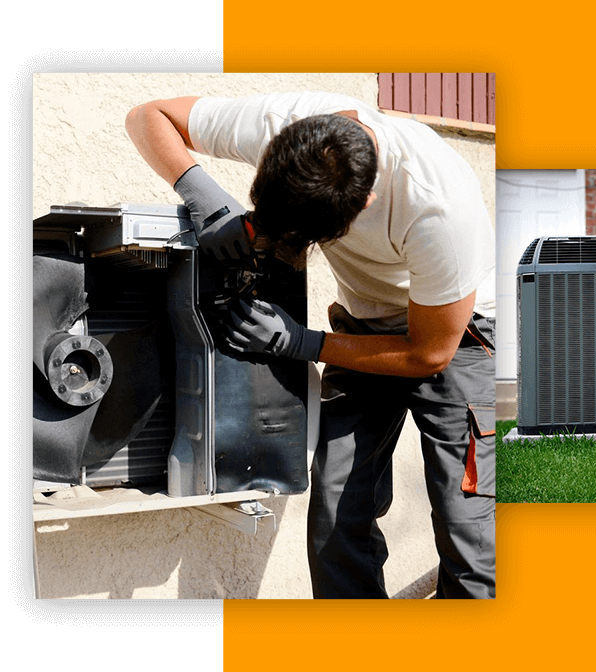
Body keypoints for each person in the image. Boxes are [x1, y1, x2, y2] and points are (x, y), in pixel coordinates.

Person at [125, 91, 496, 598]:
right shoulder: (289, 125)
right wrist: (203, 195)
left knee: (466, 527)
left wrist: (303, 343)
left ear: (360, 207)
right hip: (364, 327)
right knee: (338, 508)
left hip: (458, 336)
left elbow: (429, 353)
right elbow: (149, 116)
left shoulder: (438, 206)